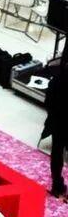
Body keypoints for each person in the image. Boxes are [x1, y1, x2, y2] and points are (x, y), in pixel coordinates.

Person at [43, 56, 68, 198]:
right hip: (60, 121)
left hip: (57, 121)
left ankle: (57, 185)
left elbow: (48, 101)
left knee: (57, 152)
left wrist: (52, 116)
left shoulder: (57, 79)